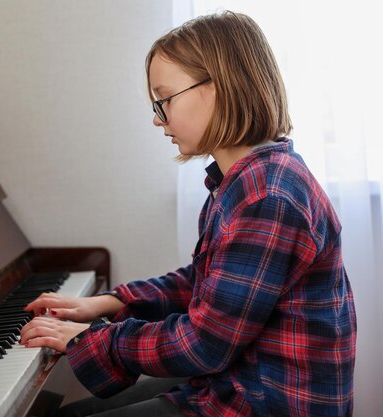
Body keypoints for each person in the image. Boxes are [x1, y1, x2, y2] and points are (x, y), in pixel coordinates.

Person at [19, 10, 357, 417]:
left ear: (220, 87)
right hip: (241, 381)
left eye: (164, 99)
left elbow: (205, 344)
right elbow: (206, 282)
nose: (157, 118)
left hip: (265, 402)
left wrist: (92, 338)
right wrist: (110, 303)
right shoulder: (245, 179)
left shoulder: (267, 194)